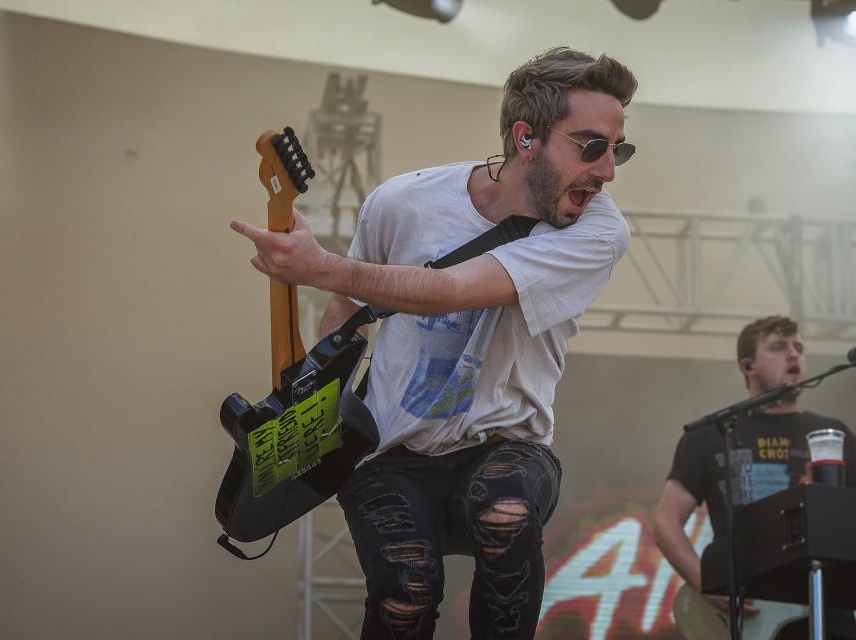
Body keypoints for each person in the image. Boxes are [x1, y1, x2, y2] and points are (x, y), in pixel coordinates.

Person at [231, 47, 637, 639]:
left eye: (617, 149)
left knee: (506, 512)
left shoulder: (599, 229)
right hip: (390, 450)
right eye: (591, 146)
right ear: (526, 139)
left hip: (507, 443)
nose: (607, 172)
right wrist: (314, 401)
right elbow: (348, 315)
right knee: (404, 595)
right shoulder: (402, 201)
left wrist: (321, 268)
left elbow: (448, 290)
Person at [653, 315, 856, 640]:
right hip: (745, 613)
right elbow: (665, 522)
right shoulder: (712, 435)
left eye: (799, 347)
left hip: (828, 613)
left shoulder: (833, 435)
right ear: (748, 366)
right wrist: (705, 582)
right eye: (778, 347)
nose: (794, 355)